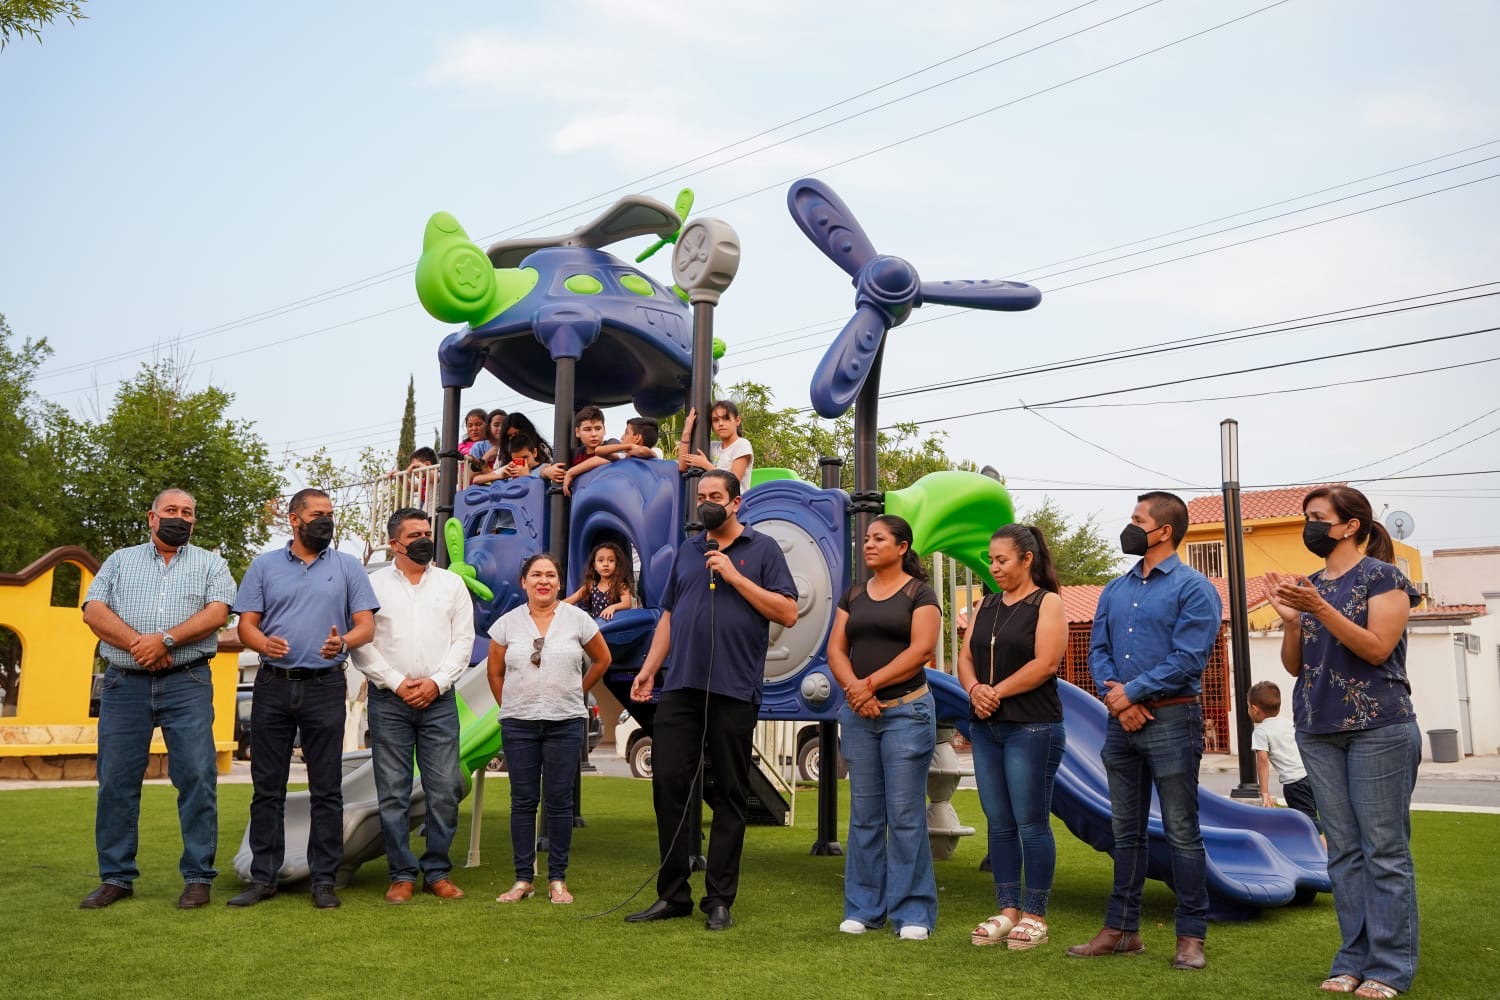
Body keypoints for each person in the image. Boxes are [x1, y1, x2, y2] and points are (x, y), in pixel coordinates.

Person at [1264, 485, 1421, 1000]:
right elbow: (1295, 665)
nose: (1309, 526)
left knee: (1384, 851)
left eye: (1317, 518)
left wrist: (1319, 609)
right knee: (1344, 853)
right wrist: (1293, 622)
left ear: (1350, 525)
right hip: (1317, 728)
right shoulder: (1309, 586)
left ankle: (1390, 968)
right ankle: (1352, 959)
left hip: (1379, 726)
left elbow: (1377, 649)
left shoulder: (1384, 578)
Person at [626, 469, 798, 931]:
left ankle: (719, 898)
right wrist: (648, 668)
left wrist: (734, 576)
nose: (706, 504)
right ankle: (673, 893)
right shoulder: (688, 551)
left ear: (736, 503)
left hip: (734, 688)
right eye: (701, 496)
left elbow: (787, 611)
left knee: (730, 793)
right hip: (680, 686)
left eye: (715, 496)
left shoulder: (762, 550)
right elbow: (668, 615)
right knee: (668, 783)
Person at [1069, 491, 1221, 971]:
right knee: (1125, 833)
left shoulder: (1195, 589)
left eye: (1137, 520)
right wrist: (1118, 696)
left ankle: (1190, 936)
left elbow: (1189, 659)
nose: (1129, 527)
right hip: (1122, 722)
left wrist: (1130, 693)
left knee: (1181, 832)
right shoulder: (1114, 589)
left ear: (1164, 531)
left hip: (1174, 720)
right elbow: (1097, 650)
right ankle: (1121, 931)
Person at [78, 489, 237, 910]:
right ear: (152, 517)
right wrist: (137, 644)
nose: (179, 518)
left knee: (197, 777)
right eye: (171, 511)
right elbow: (93, 610)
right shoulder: (119, 560)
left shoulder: (211, 563)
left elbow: (218, 612)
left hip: (187, 681)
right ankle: (115, 877)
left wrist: (165, 640)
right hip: (123, 684)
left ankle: (199, 876)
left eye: (187, 513)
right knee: (116, 781)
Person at [229, 488, 379, 910]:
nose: (326, 521)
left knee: (327, 788)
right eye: (318, 514)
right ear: (295, 520)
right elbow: (247, 626)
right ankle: (263, 878)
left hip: (325, 685)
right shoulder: (264, 566)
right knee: (267, 787)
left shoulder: (349, 567)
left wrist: (343, 643)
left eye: (330, 515)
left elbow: (365, 625)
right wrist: (263, 644)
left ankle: (324, 879)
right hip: (274, 685)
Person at [826, 515, 941, 940]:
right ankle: (864, 908)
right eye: (867, 538)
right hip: (860, 715)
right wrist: (856, 691)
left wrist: (869, 685)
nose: (869, 544)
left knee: (906, 816)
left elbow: (922, 650)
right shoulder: (853, 594)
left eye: (879, 539)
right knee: (864, 817)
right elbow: (836, 649)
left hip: (906, 714)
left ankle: (913, 914)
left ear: (902, 547)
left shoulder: (920, 593)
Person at [352, 508, 475, 904]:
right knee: (393, 792)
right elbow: (361, 643)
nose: (424, 539)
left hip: (439, 701)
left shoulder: (452, 584)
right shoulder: (372, 586)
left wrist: (436, 683)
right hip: (389, 701)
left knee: (443, 790)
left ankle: (436, 871)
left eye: (427, 532)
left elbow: (463, 642)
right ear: (394, 543)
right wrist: (398, 683)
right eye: (415, 534)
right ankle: (401, 874)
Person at [957, 523, 1067, 949]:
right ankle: (1008, 909)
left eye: (1002, 560)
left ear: (1027, 559)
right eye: (991, 559)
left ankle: (1035, 913)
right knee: (999, 823)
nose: (994, 566)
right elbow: (966, 657)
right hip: (987, 727)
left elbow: (1046, 663)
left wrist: (995, 692)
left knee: (1030, 822)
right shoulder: (985, 605)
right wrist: (974, 690)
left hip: (1032, 726)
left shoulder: (1048, 603)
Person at [486, 553, 611, 905]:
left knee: (559, 802)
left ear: (559, 582)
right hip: (519, 725)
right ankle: (523, 879)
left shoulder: (578, 620)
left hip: (565, 722)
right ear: (524, 582)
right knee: (523, 802)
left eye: (551, 575)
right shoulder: (507, 624)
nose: (544, 581)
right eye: (536, 575)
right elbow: (495, 673)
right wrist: (510, 706)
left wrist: (578, 689)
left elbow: (603, 659)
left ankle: (558, 880)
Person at [1247, 680, 1320, 832]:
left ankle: (1324, 852)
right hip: (1311, 775)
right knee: (1321, 817)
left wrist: (1265, 792)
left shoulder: (1261, 731)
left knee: (1308, 825)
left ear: (1254, 709)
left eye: (1248, 706)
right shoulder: (1288, 723)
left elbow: (1262, 761)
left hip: (1295, 784)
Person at [677, 400, 753, 495]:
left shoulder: (741, 444)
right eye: (715, 420)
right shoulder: (712, 447)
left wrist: (706, 465)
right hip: (711, 502)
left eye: (726, 418)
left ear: (737, 421)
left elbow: (733, 481)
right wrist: (686, 432)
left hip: (734, 504)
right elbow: (683, 467)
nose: (720, 423)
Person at [563, 540, 635, 620]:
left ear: (617, 564)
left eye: (611, 560)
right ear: (594, 566)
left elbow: (627, 603)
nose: (606, 564)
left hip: (615, 626)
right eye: (601, 560)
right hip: (598, 627)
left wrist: (613, 607)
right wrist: (553, 606)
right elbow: (572, 599)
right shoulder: (591, 585)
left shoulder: (620, 585)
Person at [561, 405, 621, 495]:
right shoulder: (574, 454)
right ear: (577, 432)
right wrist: (546, 472)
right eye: (587, 429)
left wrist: (572, 472)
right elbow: (549, 466)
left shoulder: (612, 443)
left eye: (598, 428)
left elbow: (605, 457)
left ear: (604, 430)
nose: (593, 434)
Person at [596, 416, 664, 461]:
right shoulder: (624, 456)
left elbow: (642, 451)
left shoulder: (657, 451)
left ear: (637, 438)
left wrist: (631, 451)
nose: (622, 437)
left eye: (626, 433)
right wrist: (629, 446)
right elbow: (598, 451)